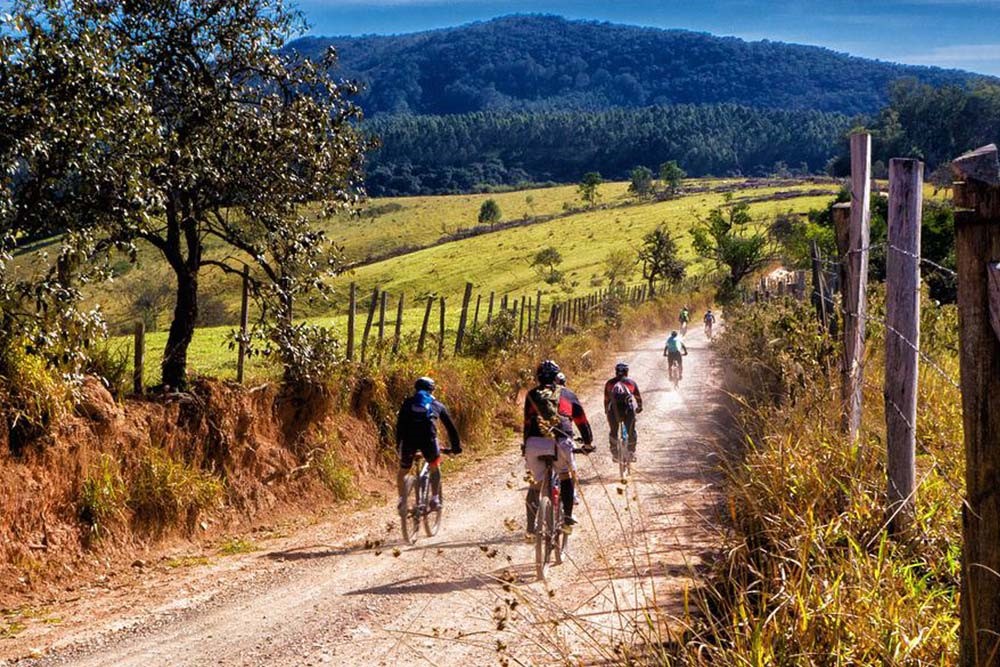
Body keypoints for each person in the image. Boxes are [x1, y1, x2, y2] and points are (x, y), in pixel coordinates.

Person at [523, 360, 593, 536]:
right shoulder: (568, 395)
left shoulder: (531, 395)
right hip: (561, 442)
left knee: (535, 485)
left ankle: (531, 530)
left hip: (534, 443)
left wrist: (526, 447)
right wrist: (587, 443)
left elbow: (526, 424)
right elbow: (582, 422)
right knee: (565, 476)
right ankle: (567, 518)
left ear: (538, 377)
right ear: (557, 377)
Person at [395, 377, 462, 513]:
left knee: (403, 470)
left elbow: (400, 425)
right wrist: (456, 447)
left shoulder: (407, 403)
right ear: (432, 390)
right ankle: (435, 498)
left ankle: (402, 500)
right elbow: (451, 428)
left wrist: (399, 445)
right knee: (434, 465)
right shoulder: (437, 405)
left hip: (408, 441)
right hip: (428, 441)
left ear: (416, 388)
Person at [603, 362, 643, 463]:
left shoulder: (609, 383)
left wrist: (606, 411)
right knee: (631, 431)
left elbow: (606, 400)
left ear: (616, 372)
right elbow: (638, 397)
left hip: (613, 411)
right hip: (628, 411)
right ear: (627, 372)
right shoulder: (631, 383)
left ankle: (615, 454)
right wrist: (639, 407)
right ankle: (631, 452)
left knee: (613, 431)